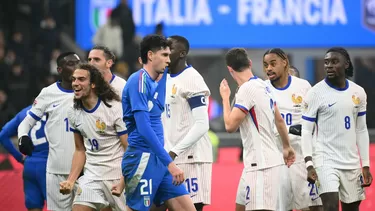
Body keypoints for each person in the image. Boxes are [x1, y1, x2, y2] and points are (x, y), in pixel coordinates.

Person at [121, 34, 195, 211]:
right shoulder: (138, 81)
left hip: (158, 160)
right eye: (164, 55)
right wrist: (170, 163)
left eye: (169, 55)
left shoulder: (158, 81)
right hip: (141, 158)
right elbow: (144, 128)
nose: (168, 60)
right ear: (150, 55)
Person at [219, 48, 295, 211]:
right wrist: (287, 146)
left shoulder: (247, 90)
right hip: (254, 165)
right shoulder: (263, 85)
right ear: (250, 63)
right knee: (240, 207)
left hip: (262, 166)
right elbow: (279, 120)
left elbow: (230, 126)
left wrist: (225, 98)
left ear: (230, 69)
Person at [301, 47, 373, 211]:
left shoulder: (358, 92)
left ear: (346, 64)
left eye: (334, 62)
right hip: (325, 161)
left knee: (352, 208)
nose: (329, 66)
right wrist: (309, 163)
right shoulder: (315, 93)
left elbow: (361, 130)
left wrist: (366, 165)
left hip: (351, 163)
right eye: (326, 62)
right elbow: (306, 131)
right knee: (331, 206)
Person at [59, 63, 128, 210]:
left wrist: (124, 180)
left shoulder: (114, 108)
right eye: (74, 79)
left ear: (93, 84)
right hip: (91, 178)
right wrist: (71, 181)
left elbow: (129, 148)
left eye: (81, 79)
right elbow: (79, 150)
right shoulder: (73, 112)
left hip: (117, 177)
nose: (75, 83)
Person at [17, 52, 80, 211]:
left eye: (79, 63)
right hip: (56, 170)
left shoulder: (90, 92)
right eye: (71, 64)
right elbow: (26, 122)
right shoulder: (48, 93)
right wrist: (22, 138)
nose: (77, 67)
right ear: (59, 70)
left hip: (84, 171)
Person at [263, 48, 323, 211]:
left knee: (312, 206)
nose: (268, 68)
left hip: (302, 157)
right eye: (265, 65)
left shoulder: (303, 86)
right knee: (281, 207)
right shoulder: (263, 89)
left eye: (273, 64)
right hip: (277, 158)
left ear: (285, 63)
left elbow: (316, 120)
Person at [162, 35, 212, 211]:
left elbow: (202, 124)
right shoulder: (164, 78)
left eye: (170, 48)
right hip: (168, 158)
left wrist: (174, 152)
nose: (166, 51)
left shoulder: (192, 78)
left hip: (192, 158)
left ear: (182, 53)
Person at [0, 105, 48, 211]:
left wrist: (20, 158)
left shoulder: (24, 112)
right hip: (49, 165)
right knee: (60, 206)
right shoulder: (55, 110)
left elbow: (3, 135)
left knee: (34, 207)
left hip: (29, 164)